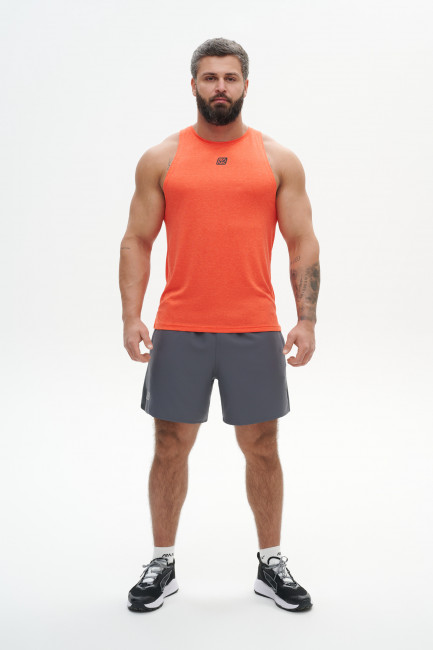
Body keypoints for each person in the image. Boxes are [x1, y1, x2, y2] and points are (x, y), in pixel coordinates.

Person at [119, 37, 320, 613]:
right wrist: (131, 315)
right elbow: (137, 239)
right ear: (193, 85)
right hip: (179, 327)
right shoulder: (162, 158)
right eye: (210, 77)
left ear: (246, 85)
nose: (220, 87)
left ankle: (271, 563)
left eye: (230, 78)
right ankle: (161, 562)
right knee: (169, 445)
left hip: (254, 327)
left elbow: (302, 242)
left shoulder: (278, 159)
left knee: (262, 445)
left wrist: (305, 319)